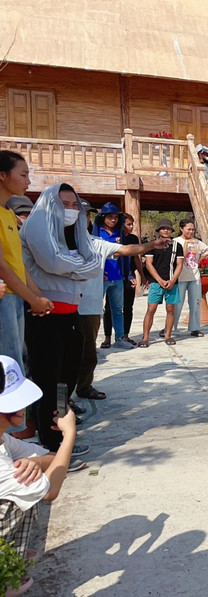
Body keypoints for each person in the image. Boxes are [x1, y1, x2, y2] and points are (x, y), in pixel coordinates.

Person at [19, 183, 102, 456]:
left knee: (65, 381)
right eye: (63, 204)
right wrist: (75, 263)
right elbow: (51, 263)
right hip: (45, 317)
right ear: (48, 204)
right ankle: (50, 444)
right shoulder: (35, 228)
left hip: (71, 316)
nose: (70, 210)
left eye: (73, 205)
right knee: (47, 381)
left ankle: (61, 434)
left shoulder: (75, 235)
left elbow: (93, 266)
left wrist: (69, 263)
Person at [77, 219, 170, 401]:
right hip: (63, 306)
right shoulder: (56, 243)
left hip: (89, 309)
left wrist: (151, 244)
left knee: (88, 353)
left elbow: (127, 250)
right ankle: (63, 401)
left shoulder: (96, 243)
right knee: (66, 355)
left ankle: (83, 387)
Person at [0, 355, 77, 559]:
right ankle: (7, 568)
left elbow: (52, 458)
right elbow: (50, 490)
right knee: (24, 495)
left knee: (30, 484)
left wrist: (35, 462)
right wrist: (69, 434)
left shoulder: (4, 440)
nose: (24, 408)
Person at [0, 151, 54, 373]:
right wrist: (32, 298)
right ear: (3, 175)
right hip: (4, 298)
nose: (28, 181)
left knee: (19, 361)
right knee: (9, 366)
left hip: (15, 299)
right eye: (23, 175)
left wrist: (38, 297)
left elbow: (18, 263)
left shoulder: (9, 215)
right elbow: (2, 267)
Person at [93, 203, 134, 350]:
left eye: (116, 217)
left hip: (117, 278)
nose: (113, 220)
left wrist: (128, 274)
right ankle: (94, 340)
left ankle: (120, 338)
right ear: (103, 217)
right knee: (96, 310)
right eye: (110, 217)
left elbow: (126, 256)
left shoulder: (120, 233)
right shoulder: (96, 234)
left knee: (118, 309)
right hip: (101, 277)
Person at [139, 220, 184, 347]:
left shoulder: (177, 246)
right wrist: (159, 280)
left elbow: (179, 265)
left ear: (171, 231)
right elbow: (148, 264)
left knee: (170, 309)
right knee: (151, 309)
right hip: (155, 282)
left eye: (168, 228)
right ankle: (146, 337)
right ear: (159, 231)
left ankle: (168, 335)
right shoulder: (152, 245)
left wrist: (173, 280)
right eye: (163, 228)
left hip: (172, 282)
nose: (165, 230)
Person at [101, 212, 143, 347]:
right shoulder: (115, 237)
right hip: (114, 275)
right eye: (128, 224)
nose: (131, 227)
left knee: (127, 307)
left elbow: (136, 256)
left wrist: (141, 274)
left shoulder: (133, 238)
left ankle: (124, 335)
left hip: (128, 277)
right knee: (109, 307)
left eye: (132, 224)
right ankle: (107, 337)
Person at [172, 219, 208, 337]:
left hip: (194, 276)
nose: (191, 232)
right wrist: (185, 245)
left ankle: (194, 328)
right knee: (177, 304)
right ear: (181, 229)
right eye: (188, 229)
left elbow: (207, 250)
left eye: (193, 229)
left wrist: (198, 261)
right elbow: (180, 258)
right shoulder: (176, 242)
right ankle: (170, 327)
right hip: (180, 277)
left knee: (195, 303)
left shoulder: (197, 242)